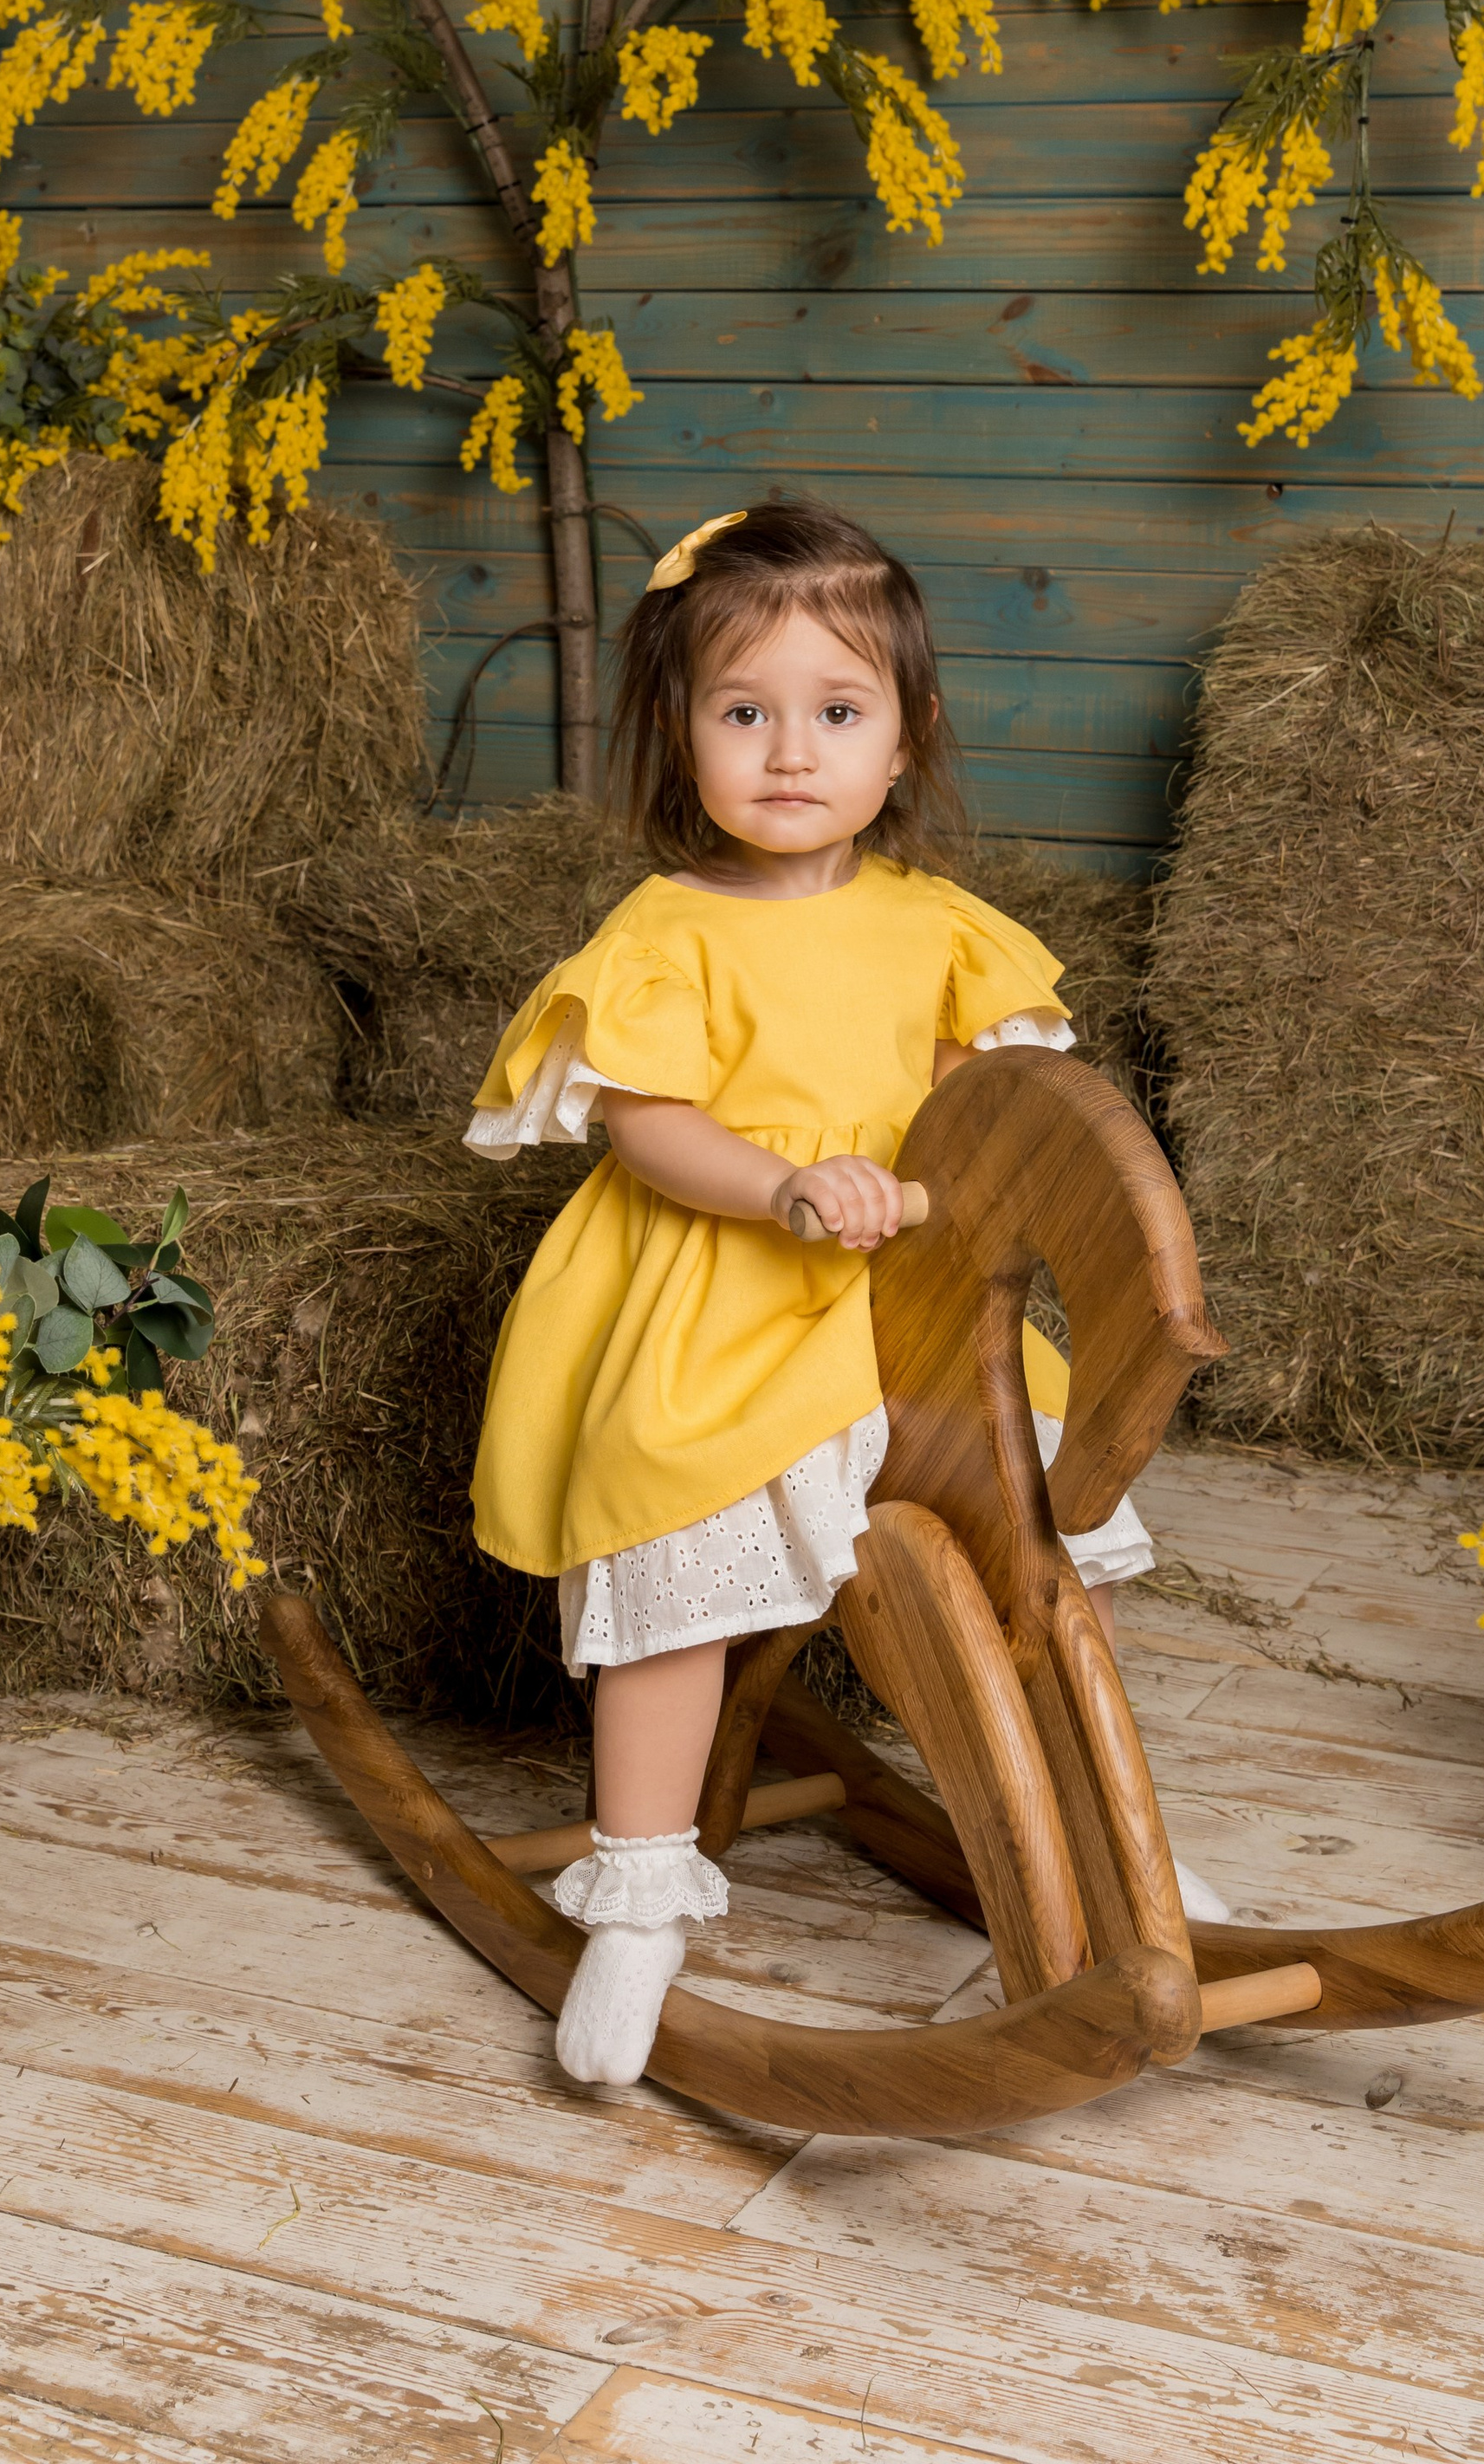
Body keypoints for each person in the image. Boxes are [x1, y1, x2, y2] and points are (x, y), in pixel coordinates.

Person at [464, 499, 1222, 2086]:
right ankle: (641, 1886)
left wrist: (949, 1185)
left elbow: (982, 1119)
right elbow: (649, 1122)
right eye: (745, 712)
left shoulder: (944, 931)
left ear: (905, 734)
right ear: (684, 737)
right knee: (669, 1552)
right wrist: (785, 1181)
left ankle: (1109, 1858)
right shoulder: (666, 932)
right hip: (723, 1298)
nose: (789, 751)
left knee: (1027, 1554)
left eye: (836, 711)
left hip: (906, 1305)